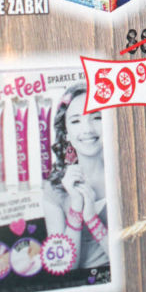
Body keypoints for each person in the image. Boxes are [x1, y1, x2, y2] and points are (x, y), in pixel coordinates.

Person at [43, 83, 109, 268]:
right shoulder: (53, 189)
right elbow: (63, 267)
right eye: (75, 121)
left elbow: (131, 257)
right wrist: (76, 208)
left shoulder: (125, 176)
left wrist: (92, 219)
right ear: (66, 133)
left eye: (97, 117)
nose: (87, 129)